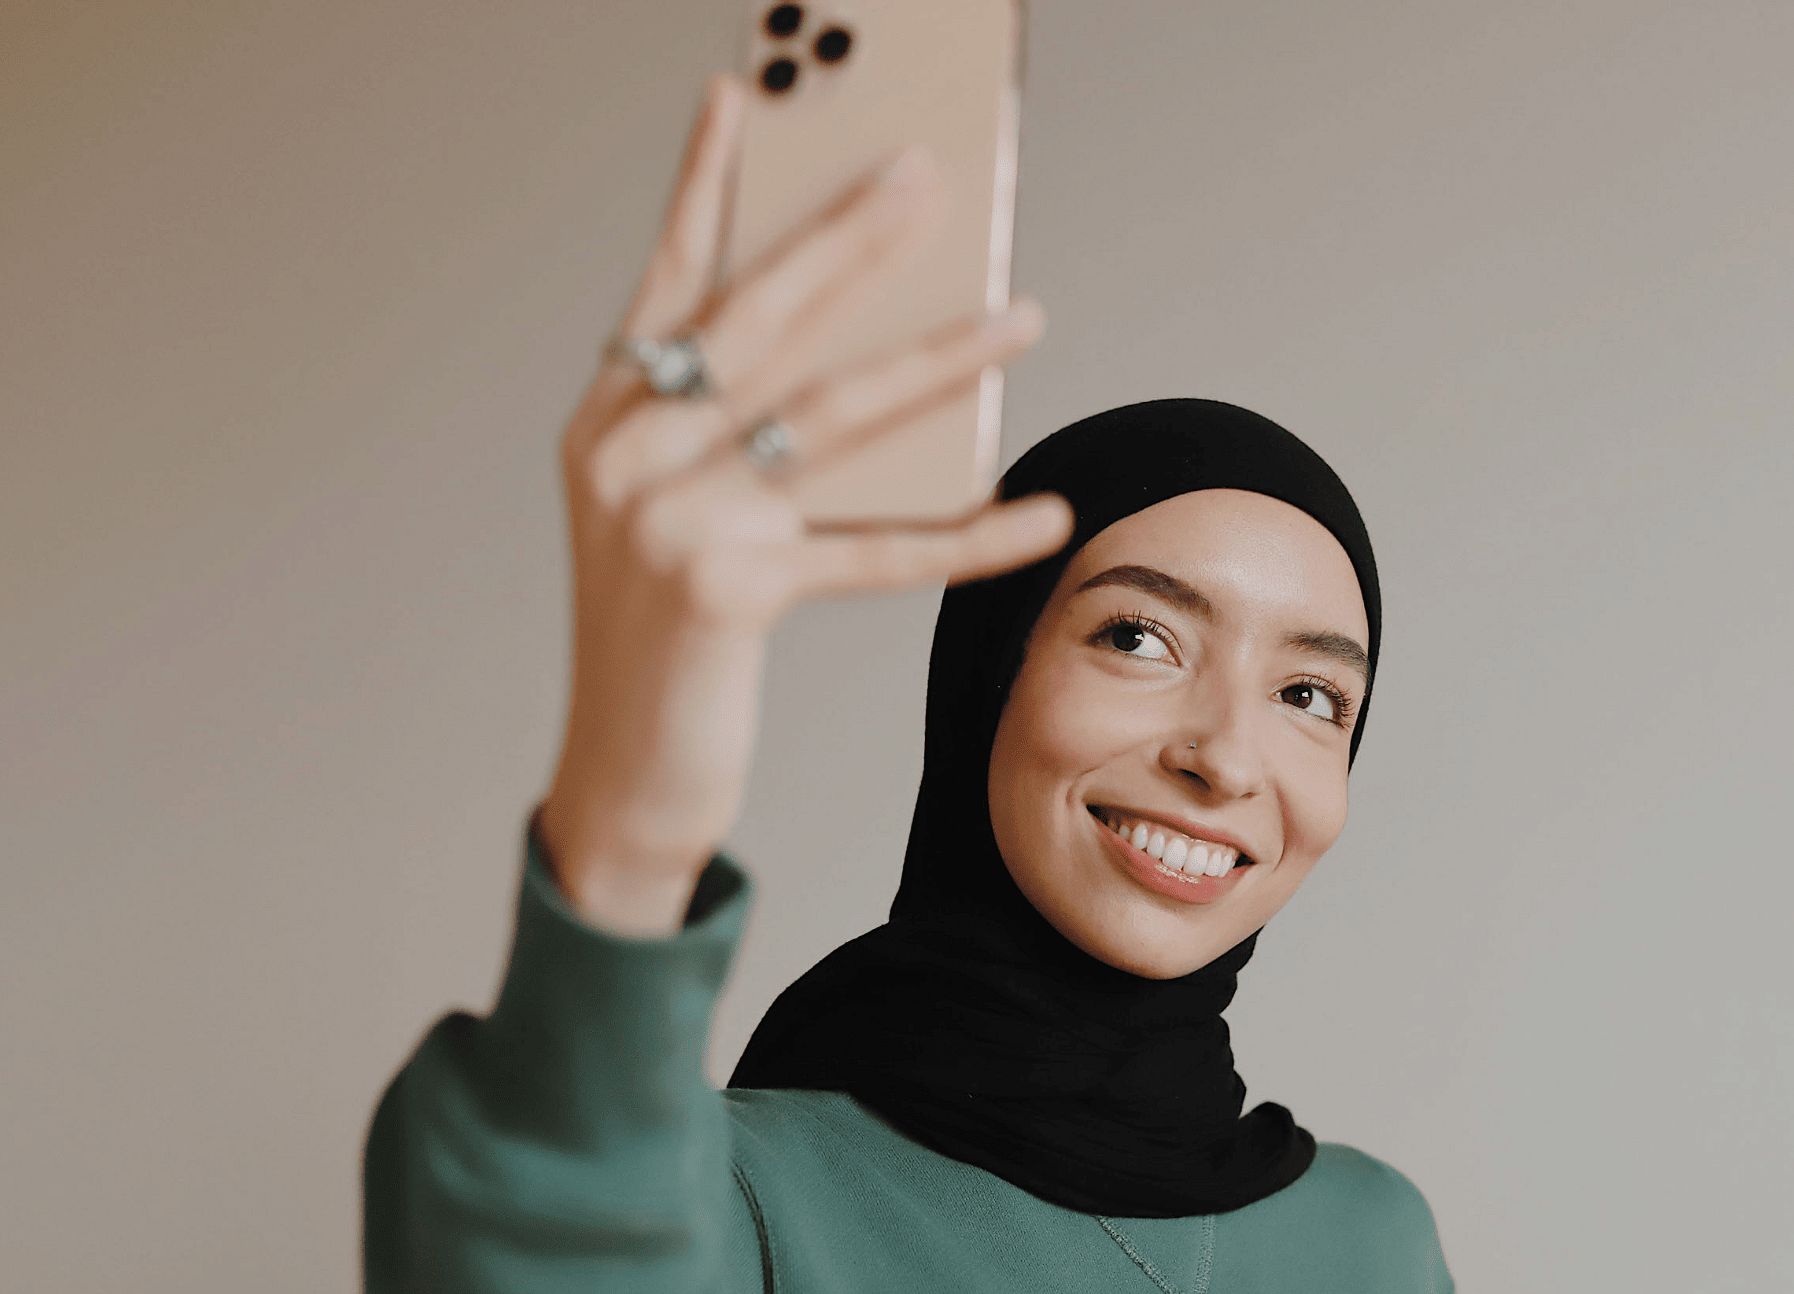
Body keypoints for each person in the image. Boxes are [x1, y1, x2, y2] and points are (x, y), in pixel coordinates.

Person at [363, 75, 1453, 1293]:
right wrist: (635, 801)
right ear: (987, 678)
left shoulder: (1369, 1243)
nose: (1228, 756)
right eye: (1140, 638)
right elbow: (539, 1229)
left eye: (1311, 695)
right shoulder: (730, 1199)